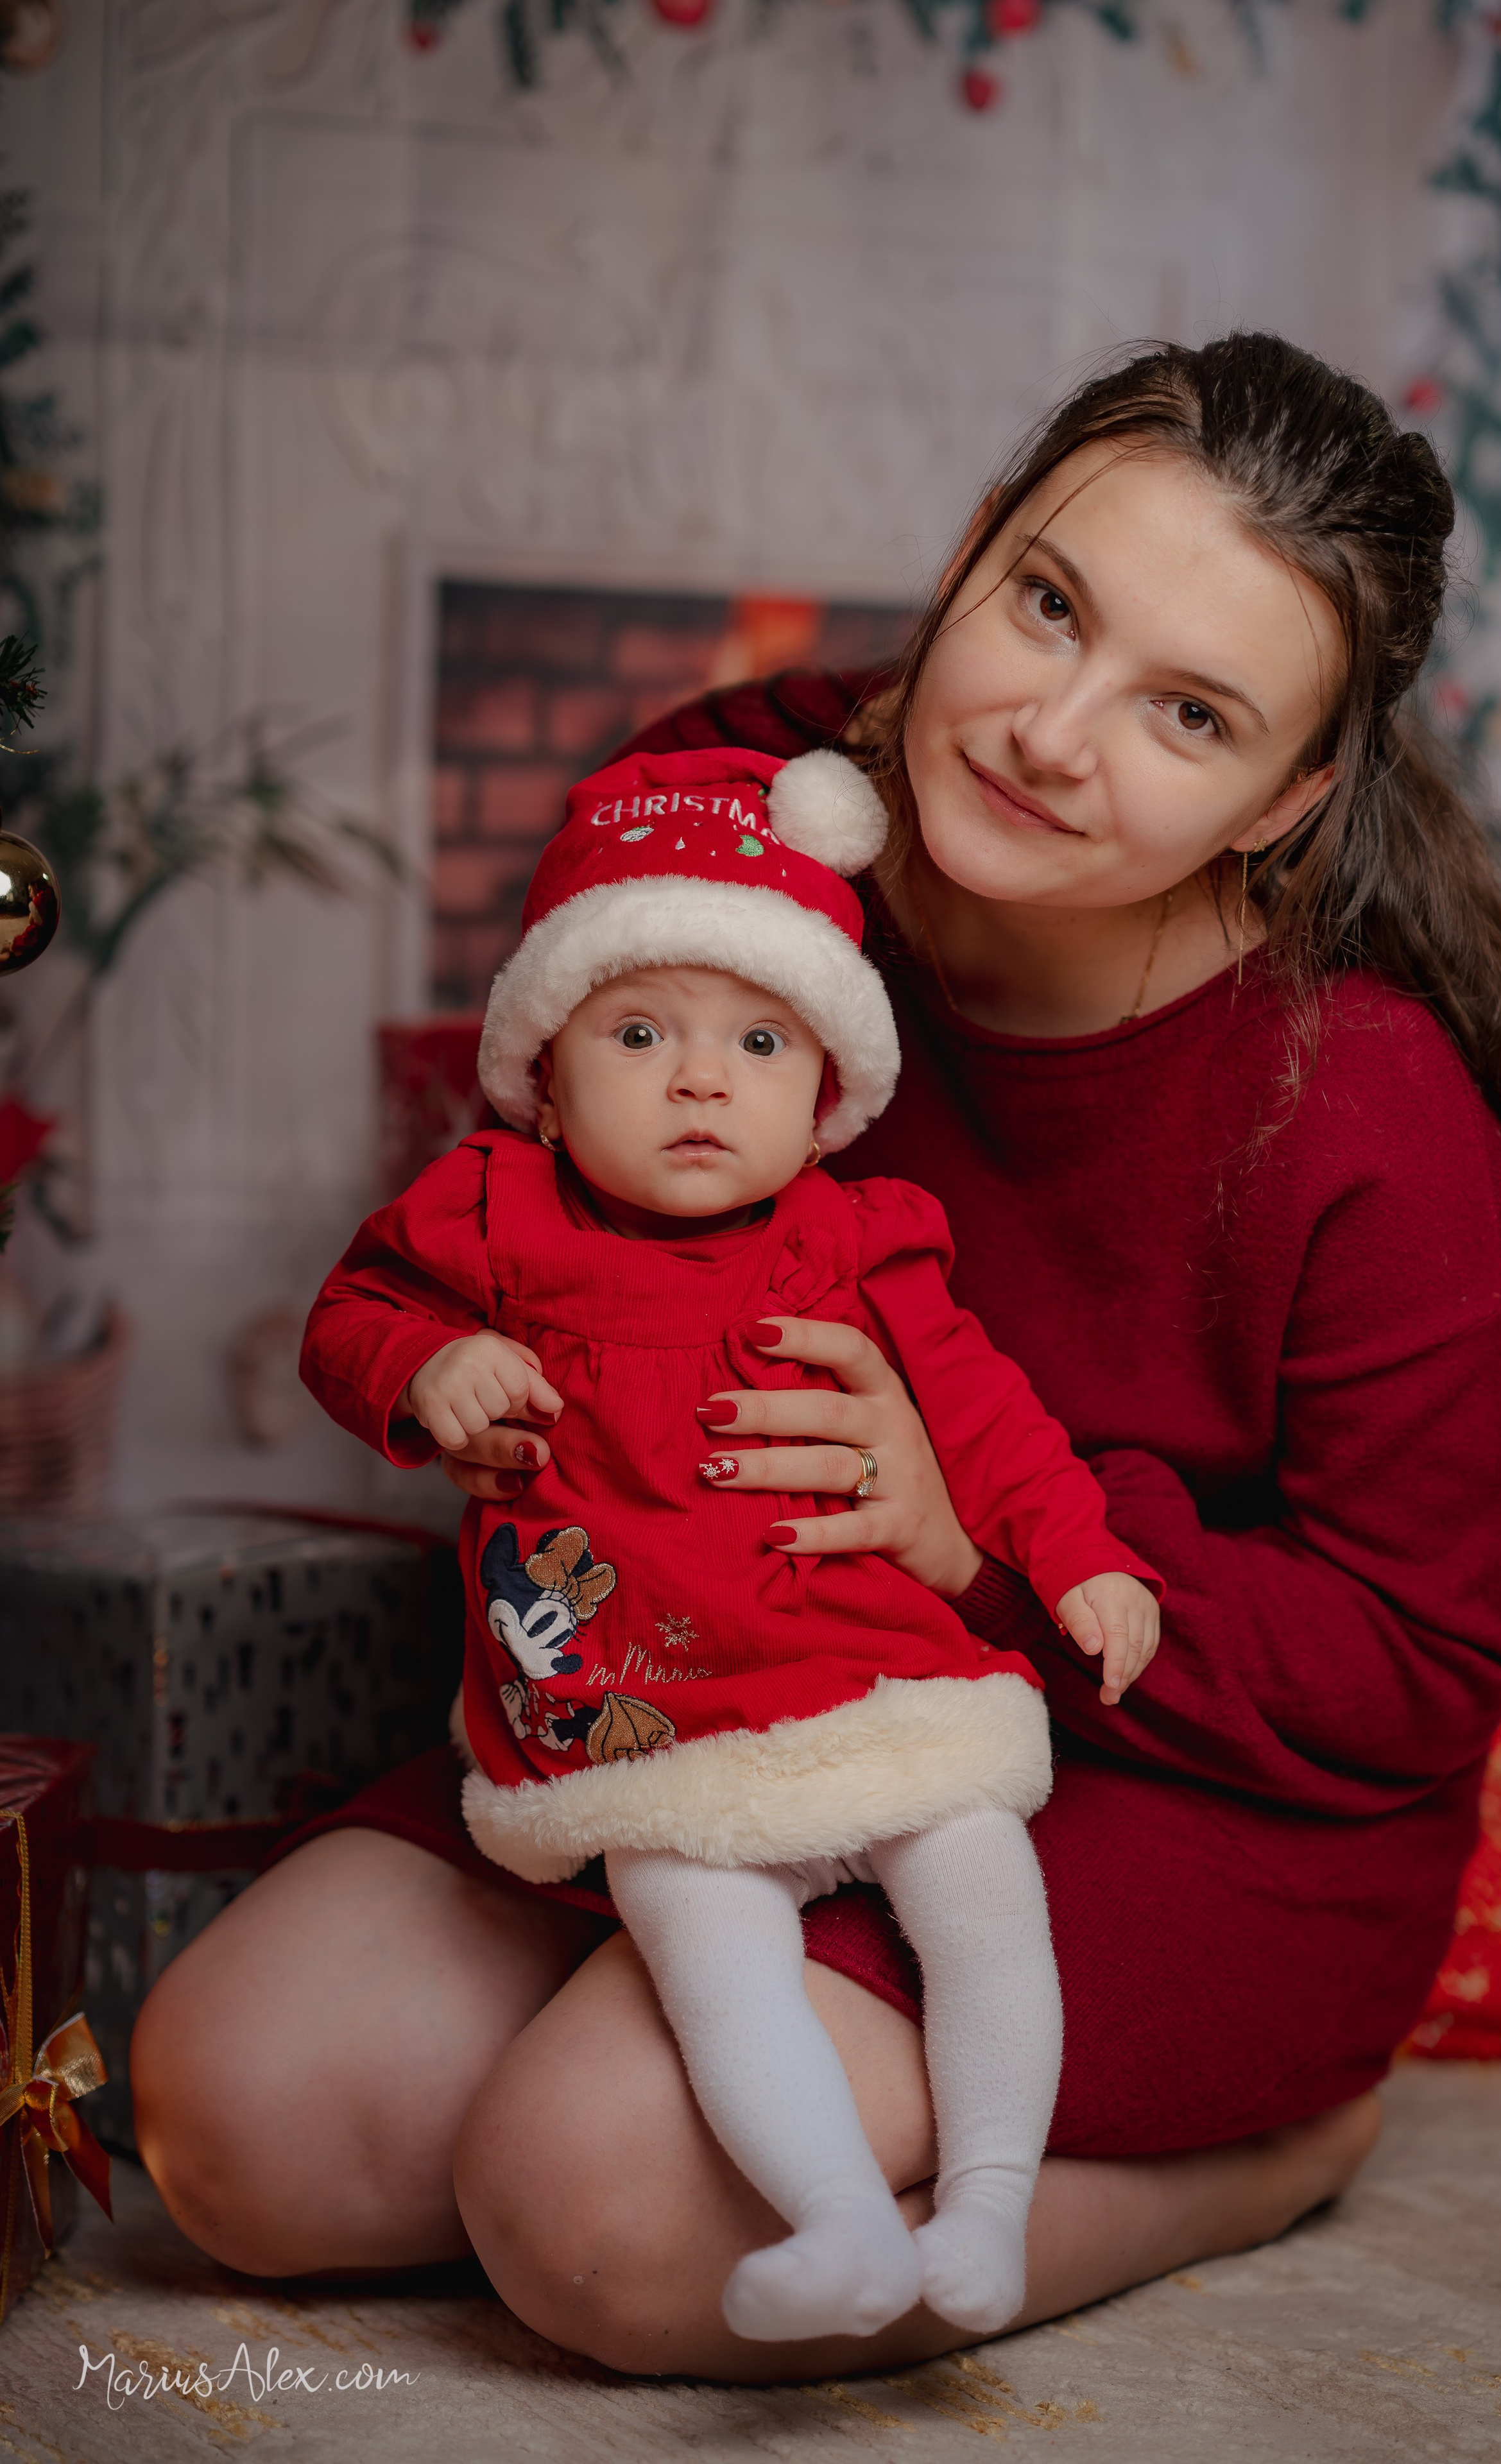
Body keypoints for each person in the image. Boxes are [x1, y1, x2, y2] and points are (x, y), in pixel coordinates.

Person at [131, 332, 1501, 2386]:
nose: (1050, 735)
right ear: (972, 551)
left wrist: (983, 1537)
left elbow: (1417, 1665)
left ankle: (1256, 2158)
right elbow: (548, 1181)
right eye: (1051, 604)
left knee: (593, 2213)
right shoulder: (747, 818)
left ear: (1290, 800)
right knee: (236, 2124)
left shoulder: (1369, 1116)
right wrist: (482, 1378)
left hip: (1178, 1780)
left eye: (1191, 713)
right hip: (712, 1661)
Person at [297, 740, 1162, 2342]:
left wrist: (1080, 1556)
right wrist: (422, 1365)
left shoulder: (855, 1240)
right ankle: (836, 2220)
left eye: (758, 1041)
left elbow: (985, 1417)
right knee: (707, 1948)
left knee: (981, 1889)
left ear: (823, 1095)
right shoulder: (491, 1213)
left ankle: (987, 2207)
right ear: (544, 1077)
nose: (701, 1081)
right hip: (655, 1718)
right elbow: (347, 1316)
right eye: (638, 1034)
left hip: (870, 1679)